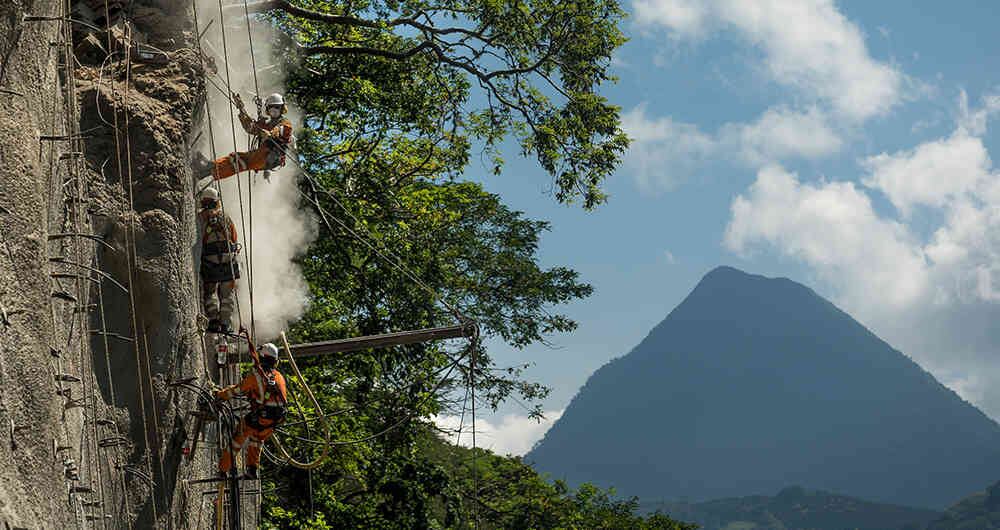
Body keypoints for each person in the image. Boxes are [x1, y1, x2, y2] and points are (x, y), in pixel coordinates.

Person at [215, 340, 288, 479]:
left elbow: (236, 390)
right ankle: (252, 469)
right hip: (273, 422)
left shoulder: (257, 376)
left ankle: (223, 469)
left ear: (261, 358)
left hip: (259, 417)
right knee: (257, 440)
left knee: (238, 439)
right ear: (275, 361)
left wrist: (219, 395)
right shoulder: (279, 377)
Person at [206, 92, 293, 181]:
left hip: (272, 156)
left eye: (277, 107)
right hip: (262, 155)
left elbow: (279, 130)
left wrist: (270, 134)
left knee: (241, 162)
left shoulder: (285, 123)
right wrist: (241, 108)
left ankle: (209, 169)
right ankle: (210, 168)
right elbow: (250, 127)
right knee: (237, 159)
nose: (273, 110)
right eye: (271, 107)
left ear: (282, 108)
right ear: (267, 109)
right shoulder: (266, 124)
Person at [196, 187, 239, 333]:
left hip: (209, 261)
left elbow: (197, 240)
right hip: (228, 261)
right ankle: (226, 324)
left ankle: (214, 320)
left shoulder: (200, 218)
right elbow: (234, 238)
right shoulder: (225, 217)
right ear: (217, 201)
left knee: (210, 292)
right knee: (227, 294)